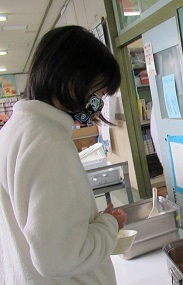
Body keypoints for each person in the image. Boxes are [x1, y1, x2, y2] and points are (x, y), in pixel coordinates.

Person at [0, 25, 127, 284]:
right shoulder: (47, 141)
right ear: (72, 78)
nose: (97, 105)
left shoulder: (15, 130)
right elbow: (60, 256)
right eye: (99, 93)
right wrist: (109, 226)